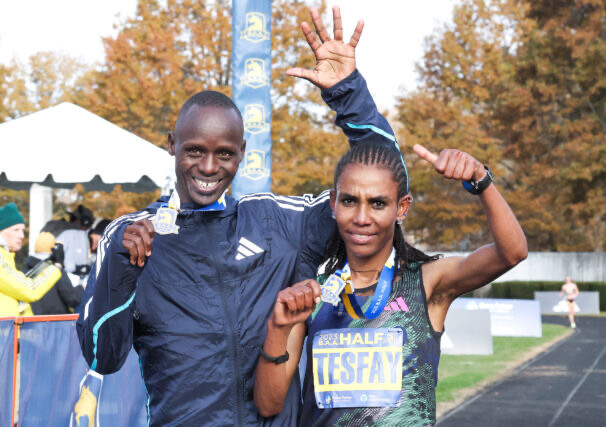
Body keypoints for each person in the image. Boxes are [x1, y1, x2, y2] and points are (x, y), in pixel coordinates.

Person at [76, 7, 392, 425]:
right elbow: (102, 357)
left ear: (242, 152)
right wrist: (122, 268)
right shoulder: (128, 236)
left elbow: (383, 183)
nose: (209, 167)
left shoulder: (277, 222)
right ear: (171, 145)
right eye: (194, 151)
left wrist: (348, 94)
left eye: (224, 154)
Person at [253, 138, 528, 426]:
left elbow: (512, 253)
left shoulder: (427, 282)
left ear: (401, 208)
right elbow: (268, 405)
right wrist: (277, 328)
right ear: (333, 203)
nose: (362, 217)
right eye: (349, 201)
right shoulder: (314, 293)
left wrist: (480, 179)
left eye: (378, 203)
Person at [0, 203, 64, 316]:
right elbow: (30, 290)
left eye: (22, 230)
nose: (21, 235)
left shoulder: (7, 257)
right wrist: (57, 266)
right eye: (15, 230)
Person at [22, 232, 84, 315]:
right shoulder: (55, 269)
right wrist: (81, 289)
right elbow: (73, 299)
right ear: (54, 249)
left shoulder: (25, 270)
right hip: (56, 320)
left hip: (32, 319)